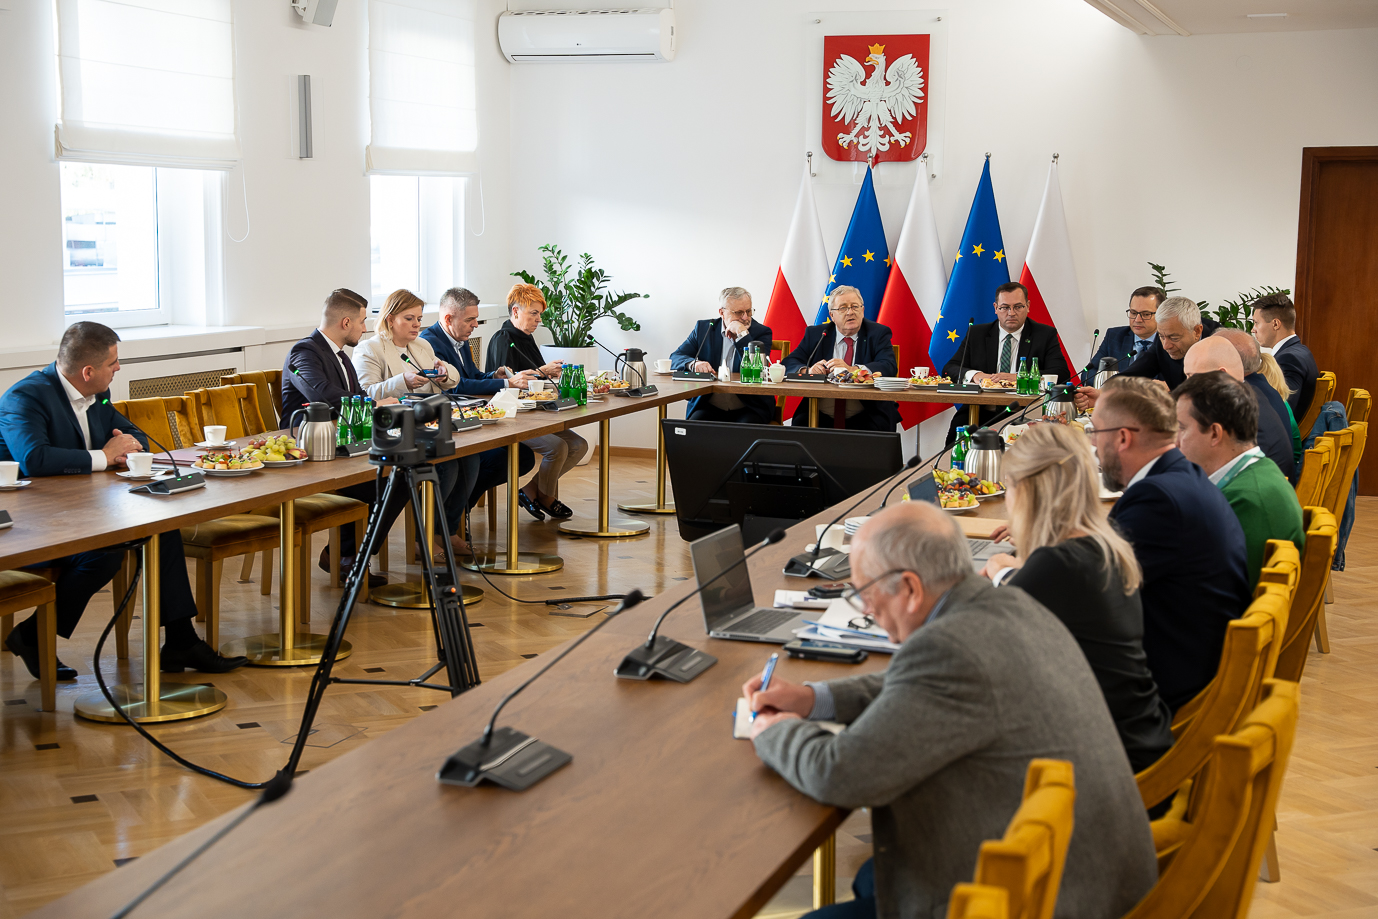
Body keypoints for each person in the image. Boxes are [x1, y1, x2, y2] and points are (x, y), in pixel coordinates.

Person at [744, 502, 1157, 919]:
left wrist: (774, 730)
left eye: (864, 592)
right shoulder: (1006, 605)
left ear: (910, 589)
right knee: (873, 879)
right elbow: (912, 684)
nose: (865, 609)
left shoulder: (950, 650)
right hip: (1094, 874)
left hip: (1048, 899)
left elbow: (838, 772)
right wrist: (814, 699)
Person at [0, 322, 248, 679]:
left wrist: (127, 448)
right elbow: (35, 459)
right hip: (32, 523)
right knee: (104, 553)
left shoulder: (98, 394)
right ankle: (32, 634)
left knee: (162, 527)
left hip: (84, 508)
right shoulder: (25, 398)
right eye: (113, 362)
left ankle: (181, 639)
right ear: (88, 371)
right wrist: (104, 455)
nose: (118, 369)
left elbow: (134, 434)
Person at [980, 424, 1174, 773]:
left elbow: (984, 641)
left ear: (1028, 490)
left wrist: (997, 571)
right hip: (1136, 742)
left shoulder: (1057, 565)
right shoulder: (1104, 545)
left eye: (1008, 487)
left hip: (1109, 768)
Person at [1092, 376, 1251, 712]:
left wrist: (1012, 572)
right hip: (1191, 667)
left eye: (1095, 431)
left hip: (1165, 696)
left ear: (1122, 437)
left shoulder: (1158, 499)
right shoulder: (1181, 477)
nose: (1093, 444)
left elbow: (1093, 590)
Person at [281, 289, 405, 585]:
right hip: (309, 450)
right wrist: (375, 405)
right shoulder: (304, 352)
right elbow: (324, 395)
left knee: (401, 476)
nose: (366, 328)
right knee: (382, 483)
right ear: (346, 322)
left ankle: (350, 554)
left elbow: (356, 396)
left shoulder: (340, 354)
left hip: (343, 442)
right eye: (363, 321)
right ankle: (345, 555)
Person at [354, 289, 475, 560]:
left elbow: (450, 376)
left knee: (471, 459)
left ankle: (446, 529)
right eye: (409, 318)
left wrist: (444, 375)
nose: (417, 325)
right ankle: (424, 535)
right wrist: (402, 382)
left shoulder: (421, 345)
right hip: (394, 428)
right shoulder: (369, 349)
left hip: (429, 423)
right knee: (448, 464)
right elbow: (364, 395)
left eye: (419, 318)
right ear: (389, 319)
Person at [419, 288, 537, 545]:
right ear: (449, 318)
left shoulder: (459, 341)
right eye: (470, 320)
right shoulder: (429, 343)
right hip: (447, 426)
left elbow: (471, 376)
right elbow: (456, 387)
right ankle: (448, 522)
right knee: (481, 459)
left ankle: (458, 513)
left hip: (470, 421)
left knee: (521, 456)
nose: (476, 325)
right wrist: (507, 385)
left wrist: (496, 376)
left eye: (477, 319)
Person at [1173, 371, 1305, 585]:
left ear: (1215, 433)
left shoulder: (1247, 501)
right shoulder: (1257, 471)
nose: (1176, 442)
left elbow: (1214, 591)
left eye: (1181, 429)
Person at [485, 283, 588, 521]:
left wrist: (550, 373)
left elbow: (535, 377)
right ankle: (547, 497)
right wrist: (543, 371)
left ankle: (531, 491)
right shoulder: (504, 338)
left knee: (579, 445)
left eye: (539, 314)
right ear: (515, 312)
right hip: (512, 416)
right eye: (533, 313)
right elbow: (510, 382)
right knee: (558, 447)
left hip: (533, 412)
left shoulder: (525, 336)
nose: (538, 319)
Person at [941, 281, 1070, 439]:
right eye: (1005, 307)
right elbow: (950, 368)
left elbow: (1061, 373)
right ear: (996, 308)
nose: (1011, 313)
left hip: (1024, 412)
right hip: (980, 411)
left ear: (1028, 306)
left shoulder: (1044, 335)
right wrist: (976, 375)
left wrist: (1018, 377)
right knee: (955, 438)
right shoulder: (977, 334)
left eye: (1018, 307)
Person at [782, 286, 899, 431]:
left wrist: (853, 370)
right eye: (843, 308)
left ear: (862, 310)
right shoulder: (817, 334)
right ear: (832, 315)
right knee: (800, 424)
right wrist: (809, 370)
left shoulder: (878, 333)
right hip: (818, 411)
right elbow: (788, 363)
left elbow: (888, 366)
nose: (850, 312)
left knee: (880, 427)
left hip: (867, 412)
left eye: (855, 306)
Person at [1074, 296, 1220, 412]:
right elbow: (1133, 374)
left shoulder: (1220, 342)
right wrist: (1104, 395)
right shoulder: (1163, 339)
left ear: (1197, 331)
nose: (1166, 345)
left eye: (1174, 338)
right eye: (1162, 336)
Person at [1187, 332, 1294, 481]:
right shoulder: (1254, 393)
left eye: (1192, 377)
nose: (1187, 386)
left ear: (1222, 374)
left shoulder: (1238, 411)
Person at [669, 287, 776, 424]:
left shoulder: (761, 332)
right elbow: (676, 357)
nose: (745, 317)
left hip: (749, 406)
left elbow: (759, 367)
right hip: (709, 405)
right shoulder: (704, 328)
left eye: (748, 311)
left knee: (746, 431)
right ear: (722, 312)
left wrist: (742, 335)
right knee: (694, 430)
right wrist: (694, 364)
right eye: (738, 313)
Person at [1251, 293, 1318, 418]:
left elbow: (1282, 410)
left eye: (1256, 323)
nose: (1253, 329)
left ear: (1276, 324)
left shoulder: (1289, 359)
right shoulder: (1301, 351)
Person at [1085, 286, 1164, 382]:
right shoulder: (1114, 336)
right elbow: (1088, 373)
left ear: (1160, 315)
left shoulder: (1169, 342)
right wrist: (1116, 385)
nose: (1137, 320)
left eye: (1146, 314)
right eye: (1133, 313)